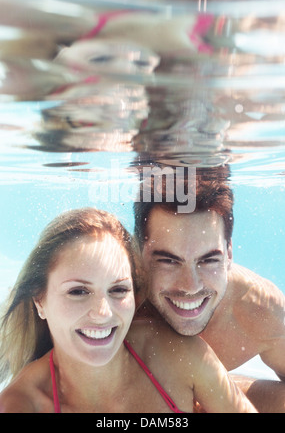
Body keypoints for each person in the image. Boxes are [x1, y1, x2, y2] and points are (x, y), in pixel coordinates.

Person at [0, 207, 256, 413]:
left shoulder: (177, 355)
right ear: (39, 301)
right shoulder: (21, 404)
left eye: (118, 290)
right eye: (78, 291)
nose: (103, 313)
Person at [133, 165, 285, 413]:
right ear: (139, 254)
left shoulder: (260, 310)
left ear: (229, 253)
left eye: (208, 260)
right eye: (168, 260)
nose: (190, 286)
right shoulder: (112, 301)